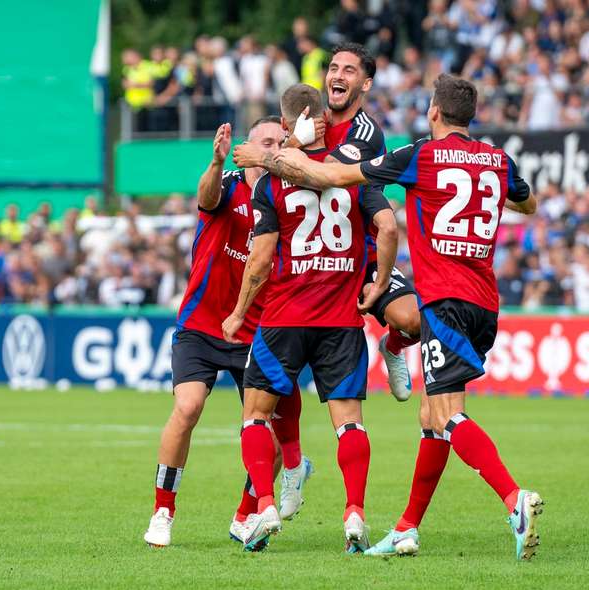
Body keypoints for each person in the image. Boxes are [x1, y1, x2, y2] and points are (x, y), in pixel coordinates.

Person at [272, 74, 543, 560]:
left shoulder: (421, 154)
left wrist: (270, 156)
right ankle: (406, 527)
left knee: (448, 414)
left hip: (443, 302)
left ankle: (512, 498)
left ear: (434, 112)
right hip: (485, 303)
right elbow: (527, 201)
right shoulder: (498, 161)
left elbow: (333, 177)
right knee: (429, 415)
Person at [221, 84, 398, 552]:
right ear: (324, 120)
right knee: (350, 424)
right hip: (341, 319)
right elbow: (387, 225)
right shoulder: (350, 174)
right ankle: (355, 514)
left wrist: (239, 313)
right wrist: (378, 284)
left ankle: (263, 507)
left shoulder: (272, 183)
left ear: (285, 125)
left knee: (255, 417)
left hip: (284, 316)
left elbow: (259, 261)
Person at [143, 118, 310, 550]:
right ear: (247, 147)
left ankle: (244, 516)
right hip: (202, 325)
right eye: (265, 141)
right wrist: (216, 163)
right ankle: (163, 510)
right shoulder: (230, 183)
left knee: (270, 439)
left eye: (280, 141)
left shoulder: (290, 196)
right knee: (188, 407)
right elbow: (206, 197)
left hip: (257, 333)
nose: (273, 147)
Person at [234, 43, 420, 402]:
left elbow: (323, 176)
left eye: (349, 71)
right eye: (333, 68)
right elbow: (273, 179)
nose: (337, 75)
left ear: (365, 85)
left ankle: (394, 347)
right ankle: (292, 457)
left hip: (359, 251)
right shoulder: (306, 118)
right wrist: (290, 141)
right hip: (306, 253)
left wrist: (269, 155)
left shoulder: (365, 133)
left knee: (411, 319)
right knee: (276, 382)